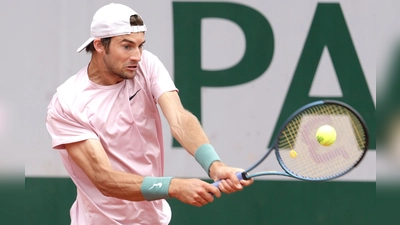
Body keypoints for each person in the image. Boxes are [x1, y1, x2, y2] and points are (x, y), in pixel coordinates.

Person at [45, 3, 252, 225]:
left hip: (155, 220)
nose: (137, 56)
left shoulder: (147, 65)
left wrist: (215, 165)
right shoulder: (68, 103)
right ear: (99, 45)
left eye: (140, 46)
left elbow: (180, 119)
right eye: (127, 46)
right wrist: (173, 186)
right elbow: (104, 178)